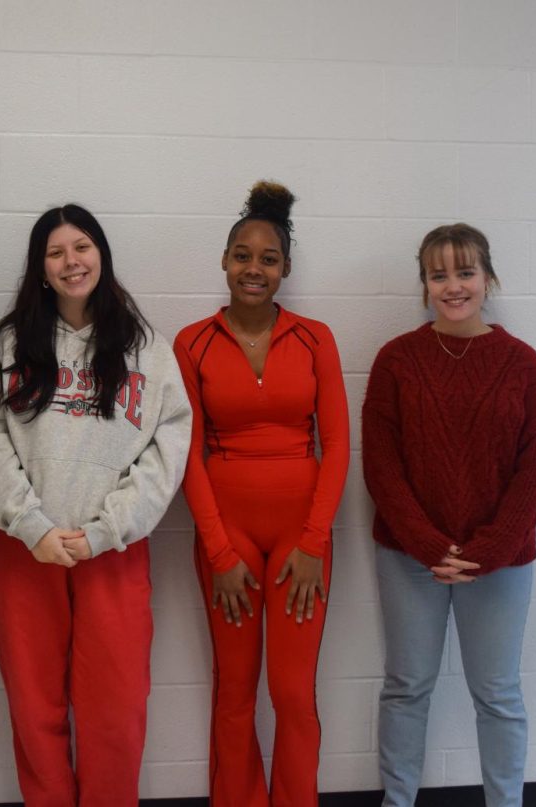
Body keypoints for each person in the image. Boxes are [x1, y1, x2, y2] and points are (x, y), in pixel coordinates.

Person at [0, 204, 191, 806]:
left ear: (102, 257)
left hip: (111, 551)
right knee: (35, 712)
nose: (72, 261)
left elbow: (167, 452)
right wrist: (32, 525)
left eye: (82, 247)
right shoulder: (9, 345)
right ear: (41, 268)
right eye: (56, 252)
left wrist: (105, 530)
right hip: (23, 551)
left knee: (114, 715)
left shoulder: (147, 349)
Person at [363, 224, 536, 807]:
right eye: (438, 274)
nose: (453, 286)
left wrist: (490, 548)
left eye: (465, 272)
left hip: (499, 562)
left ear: (488, 279)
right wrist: (426, 544)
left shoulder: (524, 365)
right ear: (423, 285)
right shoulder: (396, 361)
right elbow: (380, 464)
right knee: (406, 687)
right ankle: (397, 801)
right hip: (409, 557)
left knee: (497, 693)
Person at [173, 181, 350, 807]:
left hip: (303, 540)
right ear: (224, 261)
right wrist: (220, 553)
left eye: (268, 259)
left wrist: (313, 542)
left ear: (286, 270)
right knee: (236, 690)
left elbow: (337, 446)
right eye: (242, 256)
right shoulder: (191, 343)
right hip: (230, 542)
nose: (254, 268)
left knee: (294, 693)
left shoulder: (315, 338)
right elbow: (185, 455)